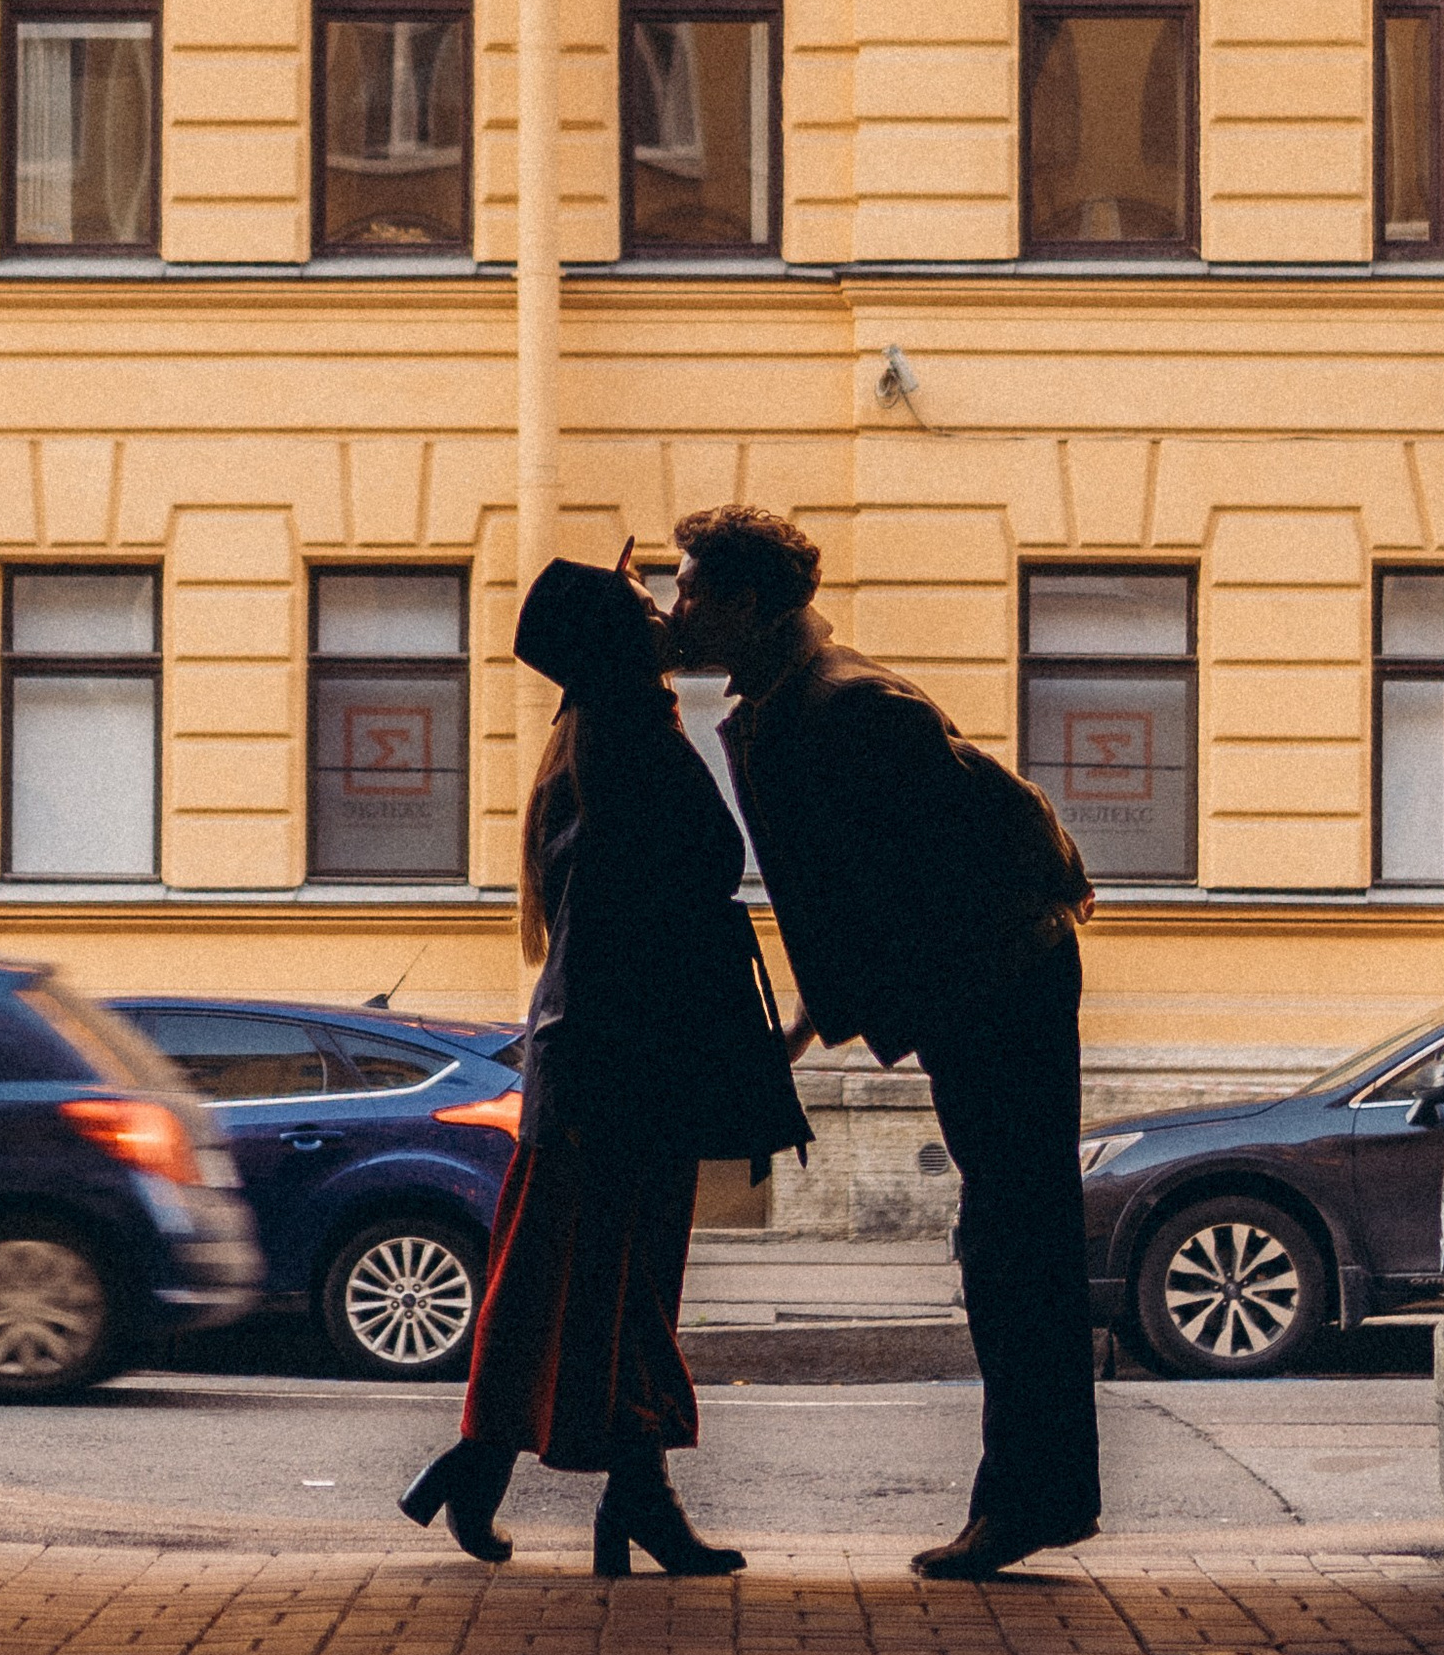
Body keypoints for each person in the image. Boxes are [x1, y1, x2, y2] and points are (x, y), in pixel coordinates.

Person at [661, 503, 1100, 1580]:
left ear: (746, 601)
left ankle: (1031, 1500)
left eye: (689, 589)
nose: (675, 609)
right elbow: (853, 898)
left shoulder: (848, 704)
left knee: (1015, 1249)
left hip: (1001, 989)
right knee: (1005, 1242)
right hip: (982, 990)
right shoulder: (793, 698)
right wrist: (813, 1022)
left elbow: (997, 823)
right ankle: (1033, 1499)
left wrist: (1042, 906)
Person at [400, 548, 808, 1575]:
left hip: (601, 1060)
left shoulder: (598, 733)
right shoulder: (630, 736)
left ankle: (523, 1472)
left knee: (582, 1282)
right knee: (617, 1285)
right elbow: (680, 886)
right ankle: (603, 1490)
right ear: (615, 641)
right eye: (643, 602)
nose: (664, 608)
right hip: (621, 1063)